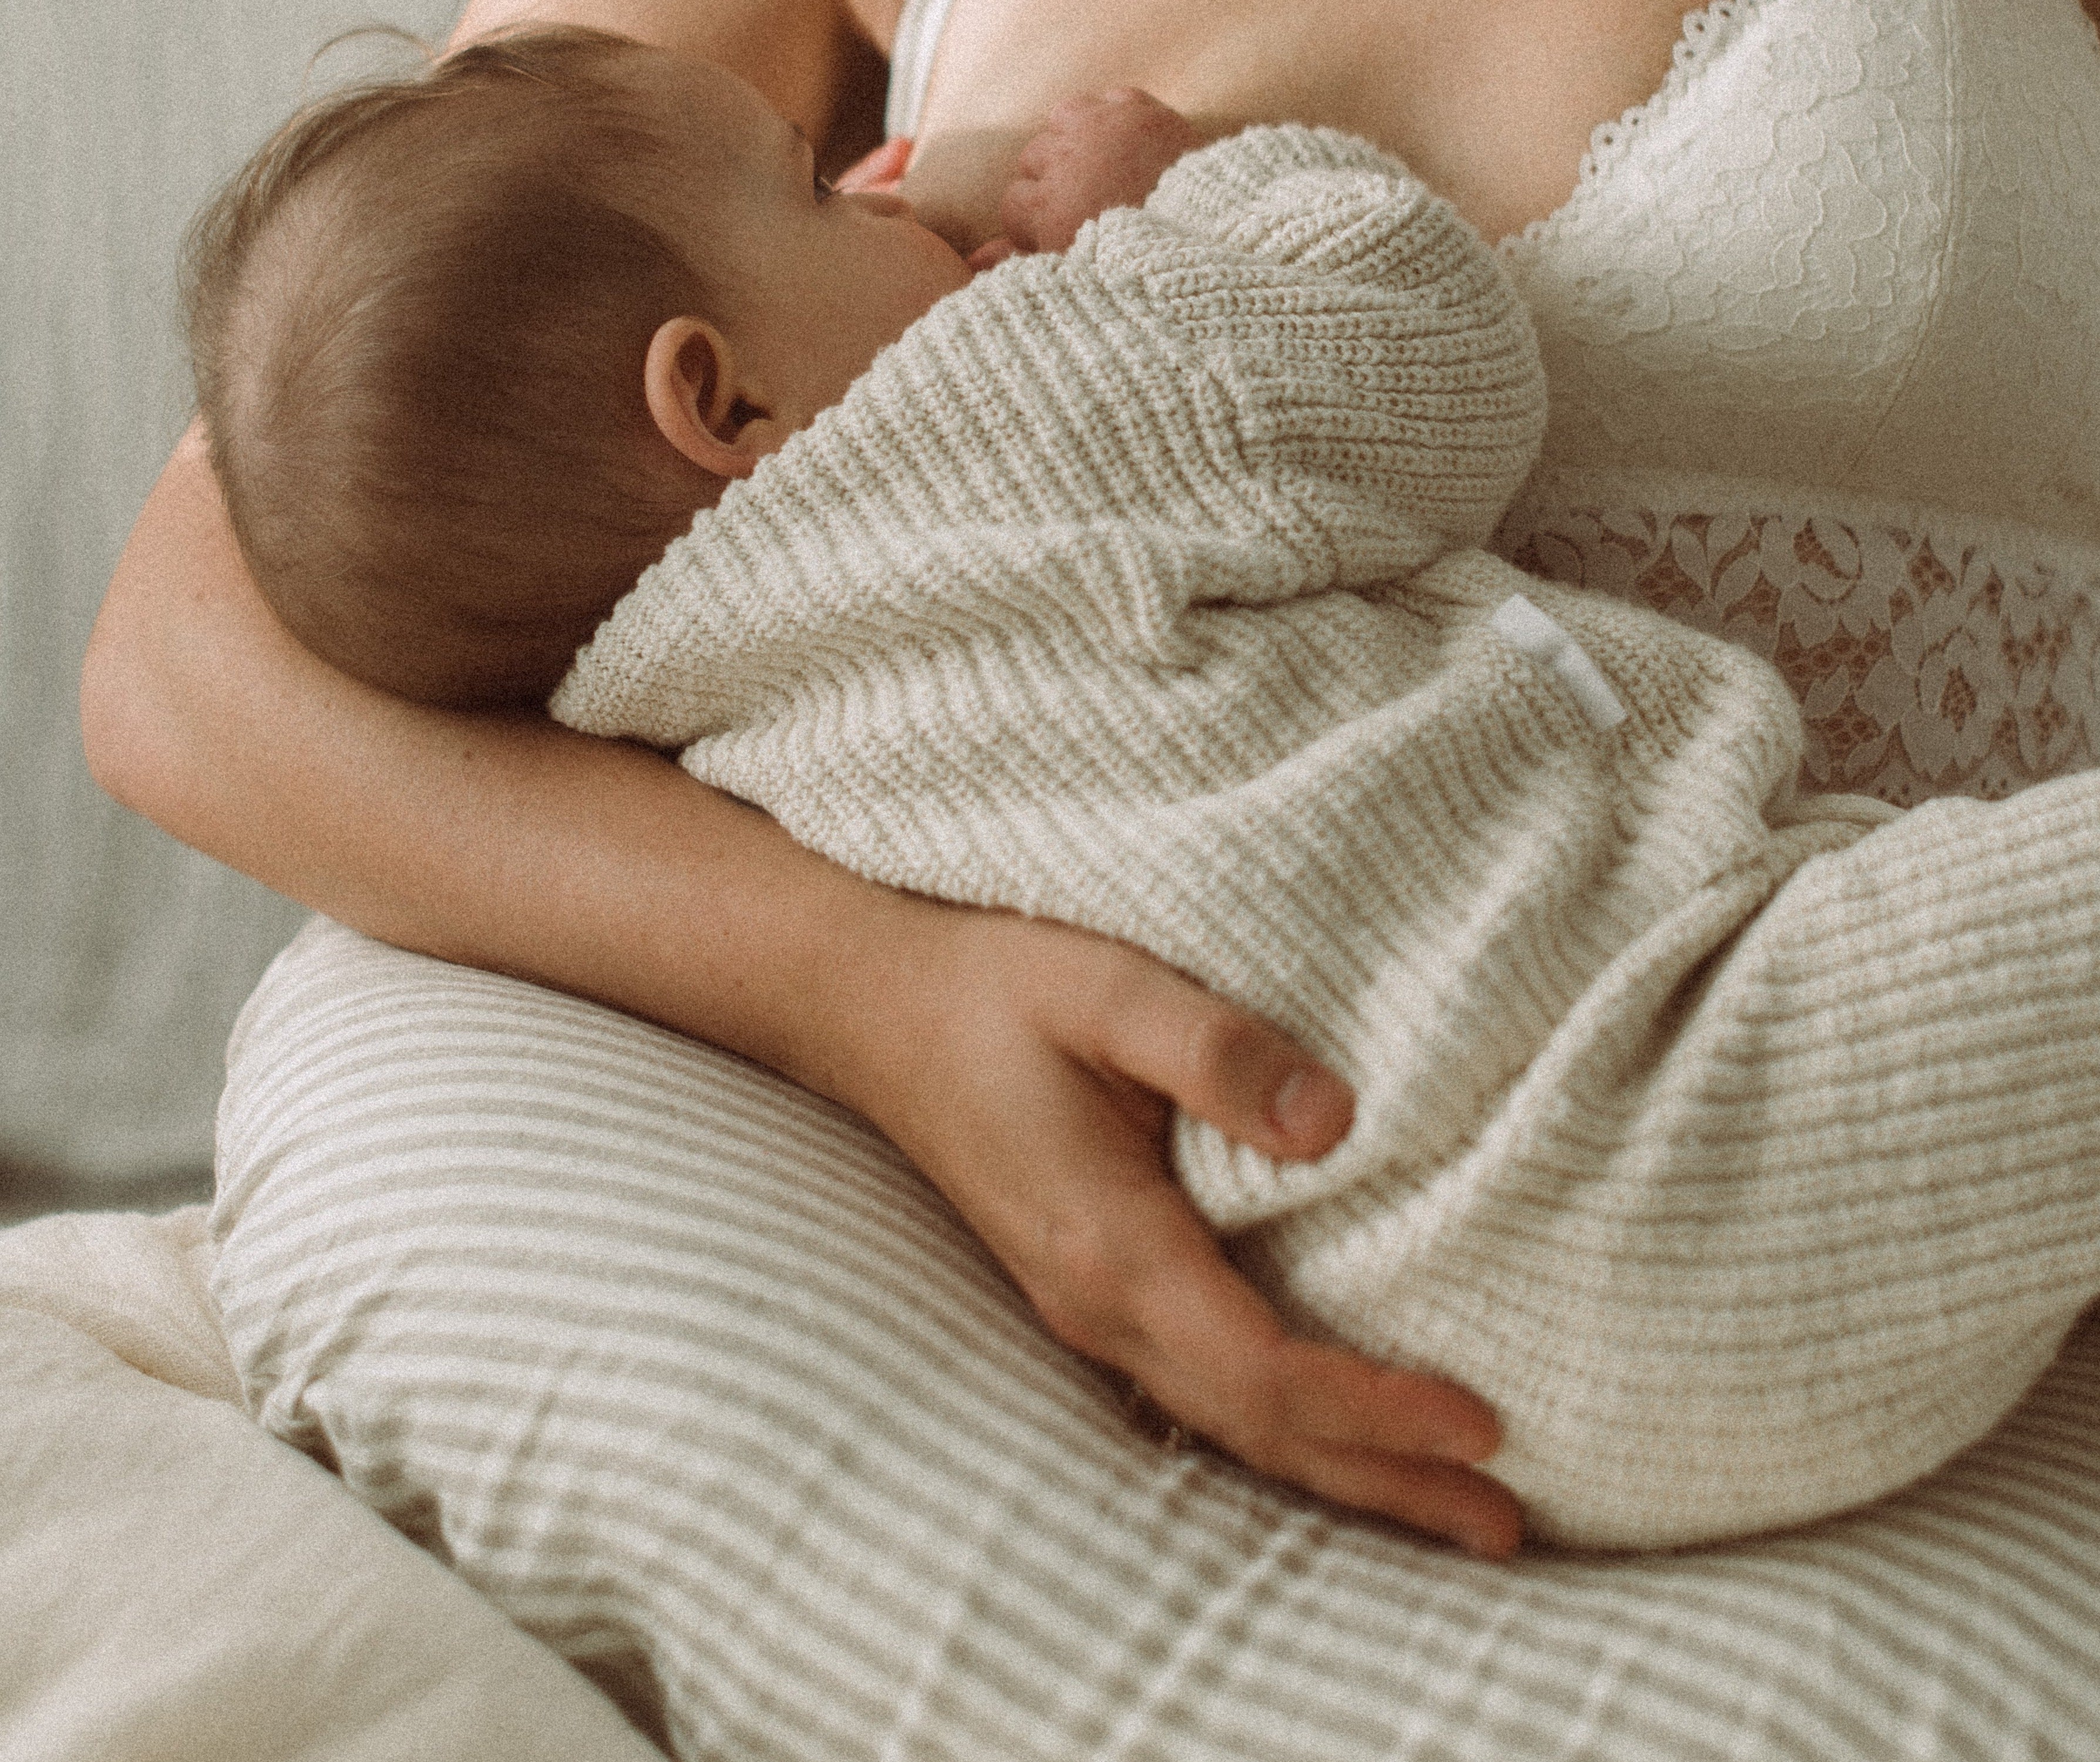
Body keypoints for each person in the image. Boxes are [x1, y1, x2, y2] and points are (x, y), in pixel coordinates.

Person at [180, 30, 2100, 1548]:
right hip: (1673, 1091)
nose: (885, 187)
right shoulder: (1020, 401)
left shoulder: (702, 707)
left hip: (1420, 1317)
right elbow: (1430, 364)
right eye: (812, 189)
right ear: (724, 406)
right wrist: (1191, 198)